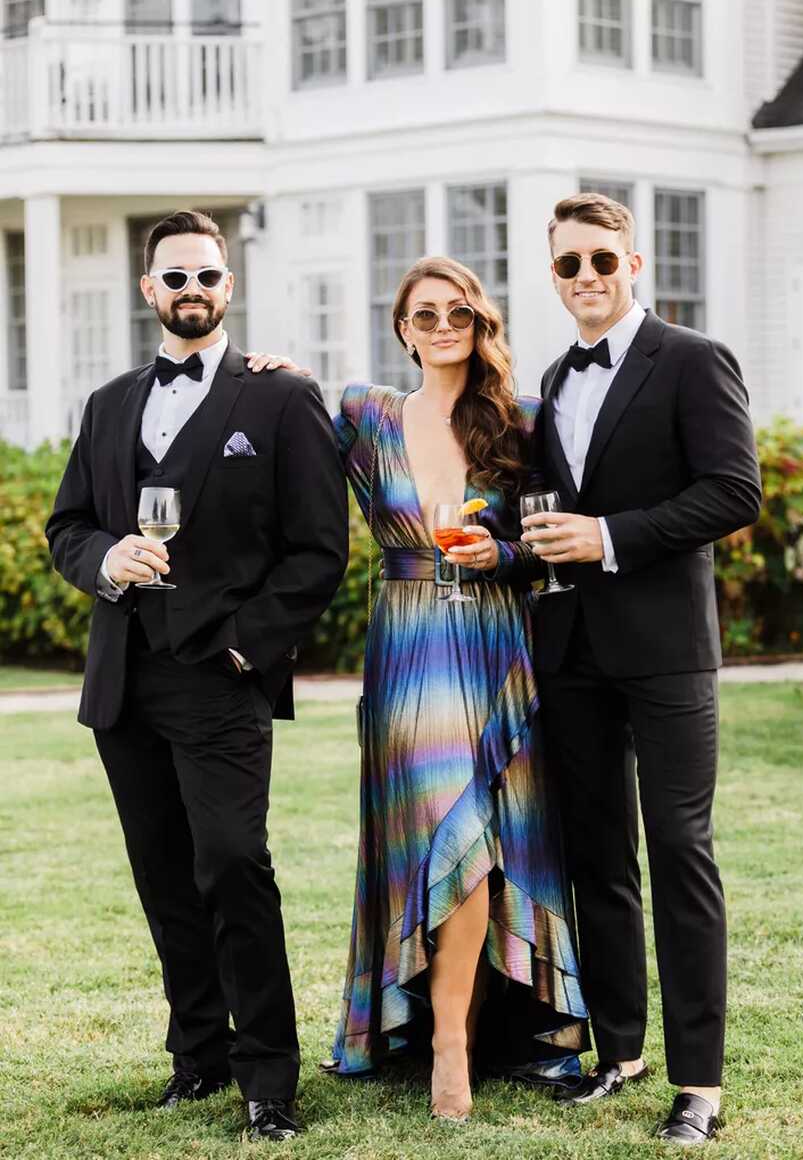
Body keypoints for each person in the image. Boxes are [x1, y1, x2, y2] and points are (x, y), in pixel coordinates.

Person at [249, 255, 588, 1123]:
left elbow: (543, 537)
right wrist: (284, 377)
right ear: (401, 327)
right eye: (424, 314)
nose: (442, 326)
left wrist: (503, 555)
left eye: (458, 314)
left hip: (487, 639)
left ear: (479, 325)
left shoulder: (520, 419)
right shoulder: (364, 414)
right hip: (404, 643)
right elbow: (287, 453)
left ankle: (452, 1045)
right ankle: (438, 1036)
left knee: (475, 832)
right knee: (436, 829)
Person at [46, 209, 349, 1144]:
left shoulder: (280, 399)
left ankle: (267, 1078)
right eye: (174, 278)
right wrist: (106, 558)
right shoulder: (105, 407)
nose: (191, 292)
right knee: (164, 878)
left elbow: (318, 551)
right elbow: (66, 529)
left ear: (230, 287)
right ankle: (198, 1058)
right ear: (150, 290)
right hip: (124, 679)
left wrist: (243, 647)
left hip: (219, 678)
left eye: (207, 277)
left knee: (233, 867)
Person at [521, 193, 762, 1145]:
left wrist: (607, 537)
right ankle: (618, 1053)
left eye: (601, 260)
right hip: (570, 655)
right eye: (569, 264)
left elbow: (732, 491)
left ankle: (697, 1085)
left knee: (679, 853)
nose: (586, 277)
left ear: (635, 265)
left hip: (665, 654)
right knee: (597, 859)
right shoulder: (551, 375)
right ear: (553, 275)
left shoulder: (693, 359)